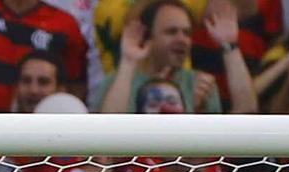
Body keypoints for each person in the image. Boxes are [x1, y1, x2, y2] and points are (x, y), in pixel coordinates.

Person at [98, 0, 252, 115]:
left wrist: (229, 45)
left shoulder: (199, 84)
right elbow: (107, 137)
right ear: (148, 37)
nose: (182, 40)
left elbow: (247, 112)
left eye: (187, 33)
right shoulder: (117, 84)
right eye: (171, 32)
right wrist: (128, 61)